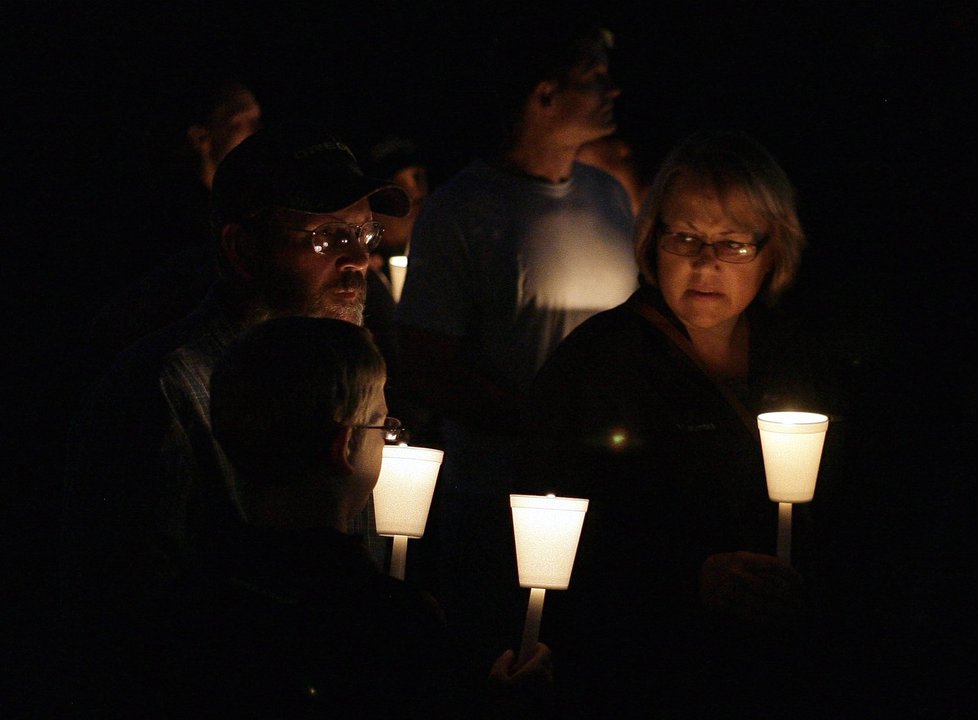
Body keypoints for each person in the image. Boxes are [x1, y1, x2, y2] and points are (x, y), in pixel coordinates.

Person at [60, 122, 411, 709]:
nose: (360, 261)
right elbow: (127, 619)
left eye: (366, 233)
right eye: (328, 237)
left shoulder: (350, 380)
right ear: (242, 251)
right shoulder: (165, 390)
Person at [517, 129, 848, 718]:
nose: (705, 262)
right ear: (652, 241)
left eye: (734, 243)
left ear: (774, 249)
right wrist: (686, 577)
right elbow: (548, 531)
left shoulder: (802, 356)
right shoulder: (599, 363)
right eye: (685, 237)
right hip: (649, 676)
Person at [394, 12, 638, 688]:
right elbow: (426, 365)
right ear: (543, 94)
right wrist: (544, 422)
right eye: (595, 77)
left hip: (609, 499)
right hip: (496, 506)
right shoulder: (462, 212)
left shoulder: (610, 197)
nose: (613, 90)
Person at [168, 316, 549, 718]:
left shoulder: (193, 598)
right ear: (346, 446)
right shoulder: (390, 624)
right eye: (382, 424)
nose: (386, 437)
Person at [84, 72, 264, 369]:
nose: (256, 131)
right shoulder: (171, 225)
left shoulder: (229, 211)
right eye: (241, 121)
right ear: (200, 137)